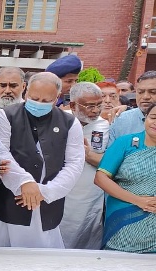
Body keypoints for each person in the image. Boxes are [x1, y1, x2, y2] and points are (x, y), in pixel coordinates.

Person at [0, 72, 85, 248]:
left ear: (57, 98)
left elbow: (75, 163)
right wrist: (24, 182)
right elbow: (0, 153)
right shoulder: (6, 116)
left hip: (48, 203)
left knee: (44, 258)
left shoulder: (70, 122)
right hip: (11, 200)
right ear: (26, 92)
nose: (39, 103)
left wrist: (46, 191)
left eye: (45, 100)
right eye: (34, 98)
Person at [95, 103, 156, 253]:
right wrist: (138, 200)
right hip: (124, 219)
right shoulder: (125, 143)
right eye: (153, 117)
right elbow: (100, 178)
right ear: (145, 119)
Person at [60, 82, 110, 249]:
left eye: (98, 105)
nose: (95, 110)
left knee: (87, 240)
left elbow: (113, 163)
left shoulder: (106, 125)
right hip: (63, 194)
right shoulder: (59, 120)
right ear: (73, 105)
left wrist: (89, 156)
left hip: (91, 196)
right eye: (90, 106)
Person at [108, 71, 156, 147]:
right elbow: (110, 155)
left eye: (153, 92)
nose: (145, 97)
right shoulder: (120, 119)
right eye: (140, 92)